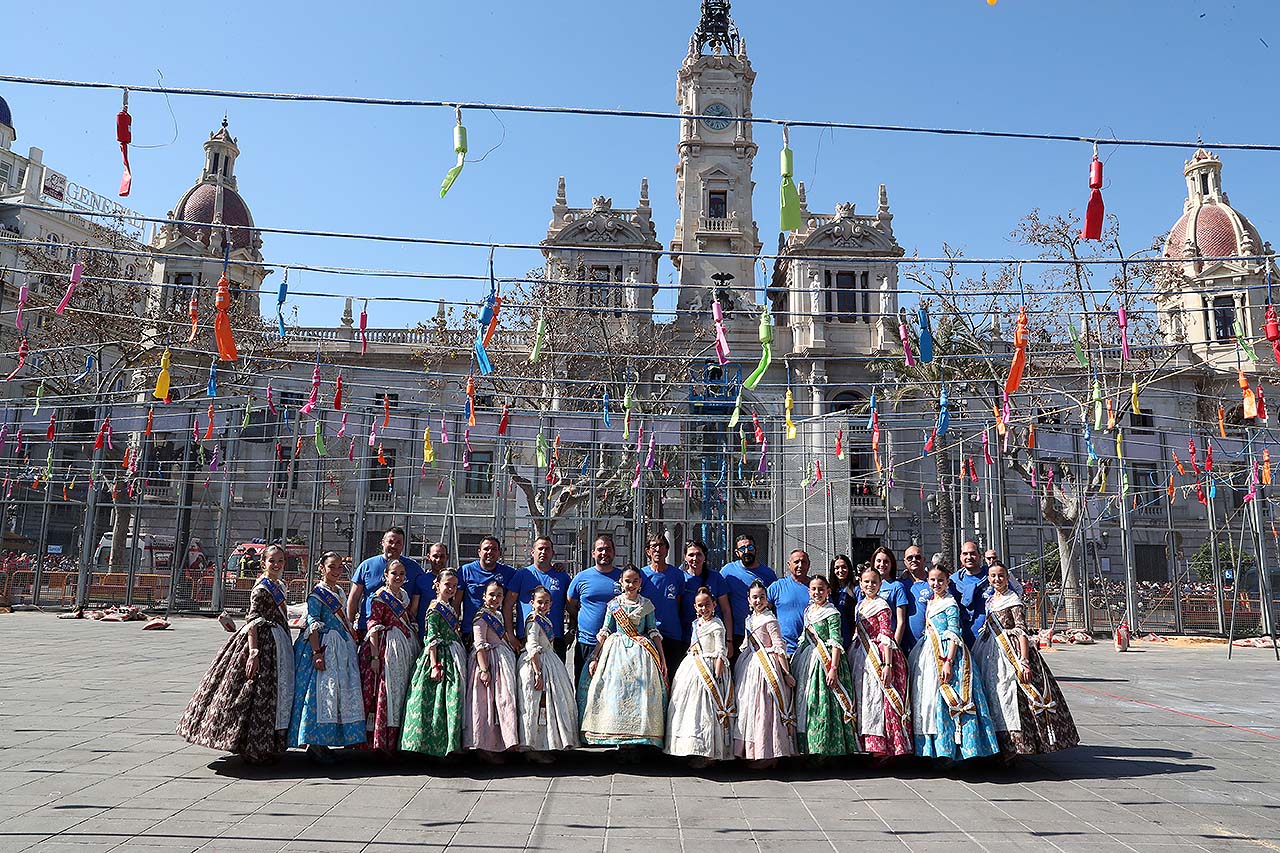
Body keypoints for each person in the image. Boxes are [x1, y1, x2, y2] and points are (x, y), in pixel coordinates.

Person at [178, 544, 294, 763]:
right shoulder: (261, 588)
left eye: (280, 561)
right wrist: (254, 652)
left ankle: (266, 745)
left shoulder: (280, 585)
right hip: (262, 642)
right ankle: (249, 746)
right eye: (272, 561)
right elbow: (252, 620)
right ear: (263, 563)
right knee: (253, 695)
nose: (276, 564)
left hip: (278, 644)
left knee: (272, 696)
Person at [973, 562, 1079, 760]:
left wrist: (1024, 660)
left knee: (1009, 696)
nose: (997, 580)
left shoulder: (1013, 599)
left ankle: (1015, 747)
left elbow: (1021, 630)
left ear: (1007, 578)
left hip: (1009, 651)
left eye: (1001, 576)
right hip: (989, 649)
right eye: (993, 576)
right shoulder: (990, 599)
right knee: (993, 694)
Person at [909, 564, 999, 762]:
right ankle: (932, 749)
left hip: (947, 653)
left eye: (940, 580)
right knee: (929, 700)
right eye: (932, 580)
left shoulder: (949, 603)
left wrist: (949, 661)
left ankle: (952, 750)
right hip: (927, 652)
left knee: (947, 698)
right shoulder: (932, 601)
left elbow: (954, 633)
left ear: (947, 582)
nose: (936, 584)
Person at [289, 552, 366, 761]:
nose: (336, 571)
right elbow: (312, 624)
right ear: (322, 568)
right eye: (332, 567)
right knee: (320, 694)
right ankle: (314, 742)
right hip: (324, 646)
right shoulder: (316, 594)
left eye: (339, 567)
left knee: (338, 694)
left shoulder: (340, 591)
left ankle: (329, 739)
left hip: (342, 647)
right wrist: (316, 653)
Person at [580, 566, 668, 748]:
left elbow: (652, 630)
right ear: (621, 582)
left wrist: (662, 658)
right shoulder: (614, 604)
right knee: (615, 692)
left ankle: (636, 742)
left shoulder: (646, 604)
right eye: (627, 581)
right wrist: (595, 656)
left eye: (635, 581)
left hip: (641, 653)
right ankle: (619, 740)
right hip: (616, 652)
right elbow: (604, 631)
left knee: (640, 694)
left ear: (640, 583)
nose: (631, 585)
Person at [848, 566, 912, 762]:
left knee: (879, 700)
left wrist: (888, 664)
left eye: (874, 582)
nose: (870, 585)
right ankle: (866, 745)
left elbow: (886, 634)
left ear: (880, 584)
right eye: (866, 582)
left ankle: (884, 748)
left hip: (879, 655)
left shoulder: (882, 605)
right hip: (860, 654)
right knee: (864, 699)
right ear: (860, 583)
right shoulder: (859, 605)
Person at [791, 573, 859, 757]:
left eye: (821, 589)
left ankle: (827, 751)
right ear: (808, 591)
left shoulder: (832, 612)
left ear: (828, 591)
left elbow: (836, 640)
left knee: (825, 706)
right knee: (808, 704)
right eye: (814, 589)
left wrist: (833, 668)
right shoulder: (808, 611)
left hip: (827, 661)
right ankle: (808, 749)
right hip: (808, 660)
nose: (817, 592)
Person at [400, 570, 467, 757]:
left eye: (454, 586)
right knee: (438, 701)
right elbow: (432, 638)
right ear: (437, 585)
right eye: (447, 585)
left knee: (451, 701)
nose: (451, 589)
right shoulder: (434, 609)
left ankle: (450, 745)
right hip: (439, 657)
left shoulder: (450, 608)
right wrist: (435, 664)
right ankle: (434, 747)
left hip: (453, 654)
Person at [357, 559, 420, 754]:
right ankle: (380, 742)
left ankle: (396, 741)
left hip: (404, 647)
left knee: (400, 692)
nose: (398, 577)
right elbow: (373, 626)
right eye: (394, 573)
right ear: (386, 575)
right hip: (386, 649)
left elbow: (408, 618)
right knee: (385, 691)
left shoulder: (403, 596)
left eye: (402, 574)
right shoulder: (379, 598)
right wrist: (375, 657)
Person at [665, 587, 734, 765]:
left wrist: (717, 676)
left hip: (710, 668)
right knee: (690, 710)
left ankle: (709, 752)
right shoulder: (697, 624)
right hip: (693, 667)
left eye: (707, 605)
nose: (704, 609)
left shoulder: (717, 624)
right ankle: (694, 748)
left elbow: (720, 651)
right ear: (695, 607)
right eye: (700, 606)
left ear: (714, 605)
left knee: (707, 712)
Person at [733, 580, 796, 765]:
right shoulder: (750, 619)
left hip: (767, 669)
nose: (758, 600)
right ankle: (753, 751)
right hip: (750, 666)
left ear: (767, 600)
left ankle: (769, 754)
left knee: (765, 709)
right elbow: (746, 644)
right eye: (755, 597)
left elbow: (778, 646)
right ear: (748, 600)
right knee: (749, 708)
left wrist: (785, 673)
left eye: (762, 597)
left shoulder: (770, 619)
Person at [516, 586, 579, 759]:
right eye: (539, 602)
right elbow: (532, 646)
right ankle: (534, 750)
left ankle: (545, 745)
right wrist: (537, 672)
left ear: (551, 604)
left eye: (546, 602)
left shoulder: (544, 619)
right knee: (537, 705)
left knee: (549, 706)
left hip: (549, 662)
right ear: (532, 603)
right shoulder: (534, 620)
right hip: (537, 664)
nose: (542, 605)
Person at [464, 580, 520, 760]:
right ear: (484, 596)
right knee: (485, 706)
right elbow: (479, 644)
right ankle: (485, 748)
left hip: (502, 662)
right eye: (492, 595)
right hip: (488, 662)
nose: (495, 598)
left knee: (503, 703)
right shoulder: (481, 617)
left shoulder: (497, 614)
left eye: (499, 595)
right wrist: (484, 669)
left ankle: (500, 744)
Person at [347, 527, 426, 640]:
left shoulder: (414, 568)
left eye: (398, 543)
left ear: (403, 545)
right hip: (369, 628)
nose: (394, 546)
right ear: (383, 543)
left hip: (402, 630)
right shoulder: (366, 566)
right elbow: (354, 598)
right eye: (390, 542)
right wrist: (350, 625)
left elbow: (419, 599)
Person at [566, 535, 623, 685]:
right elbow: (570, 604)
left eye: (608, 549)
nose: (604, 553)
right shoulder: (581, 578)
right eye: (600, 549)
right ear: (593, 553)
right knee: (583, 687)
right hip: (587, 642)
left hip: (614, 644)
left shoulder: (623, 578)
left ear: (614, 552)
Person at [505, 537, 571, 660]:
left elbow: (573, 606)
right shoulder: (522, 575)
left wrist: (572, 631)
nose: (543, 552)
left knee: (555, 678)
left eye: (547, 549)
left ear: (552, 553)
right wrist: (510, 634)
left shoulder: (562, 577)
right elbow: (508, 606)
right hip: (527, 637)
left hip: (554, 639)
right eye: (540, 548)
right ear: (532, 552)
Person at [719, 534, 777, 657]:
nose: (746, 551)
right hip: (736, 634)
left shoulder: (768, 574)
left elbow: (772, 604)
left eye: (750, 548)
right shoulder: (727, 572)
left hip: (761, 634)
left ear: (756, 549)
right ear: (737, 552)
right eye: (742, 549)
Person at [641, 532, 688, 667]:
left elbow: (679, 603)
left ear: (667, 550)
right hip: (649, 635)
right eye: (654, 546)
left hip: (672, 634)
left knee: (672, 676)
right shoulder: (642, 575)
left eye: (661, 546)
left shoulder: (677, 575)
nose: (658, 550)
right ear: (648, 551)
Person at [678, 540, 732, 648]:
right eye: (691, 555)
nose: (695, 558)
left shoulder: (716, 578)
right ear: (685, 557)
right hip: (685, 638)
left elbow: (726, 610)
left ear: (704, 557)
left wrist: (729, 640)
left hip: (712, 638)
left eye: (699, 554)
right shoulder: (679, 578)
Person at [459, 537, 517, 629]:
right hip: (470, 630)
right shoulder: (465, 570)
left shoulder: (510, 573)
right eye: (486, 549)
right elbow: (456, 602)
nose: (490, 552)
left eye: (494, 549)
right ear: (479, 552)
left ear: (499, 552)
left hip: (497, 631)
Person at [860, 547, 909, 648]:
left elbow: (901, 622)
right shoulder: (866, 586)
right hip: (868, 641)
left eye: (886, 561)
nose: (882, 564)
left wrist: (895, 646)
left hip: (888, 641)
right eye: (878, 561)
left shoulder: (897, 586)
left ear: (891, 564)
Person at [767, 549, 813, 653]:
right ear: (789, 564)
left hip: (811, 650)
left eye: (804, 562)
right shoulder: (777, 587)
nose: (800, 565)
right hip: (784, 650)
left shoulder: (816, 588)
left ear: (809, 565)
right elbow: (762, 612)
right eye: (796, 562)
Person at [901, 545, 933, 655]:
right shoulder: (900, 584)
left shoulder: (933, 583)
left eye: (917, 557)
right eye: (910, 558)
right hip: (906, 646)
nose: (914, 560)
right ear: (904, 561)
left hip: (930, 645)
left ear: (924, 560)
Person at [829, 554, 857, 646]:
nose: (840, 570)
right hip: (833, 640)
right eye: (837, 568)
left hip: (850, 639)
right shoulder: (830, 591)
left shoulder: (856, 589)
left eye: (844, 567)